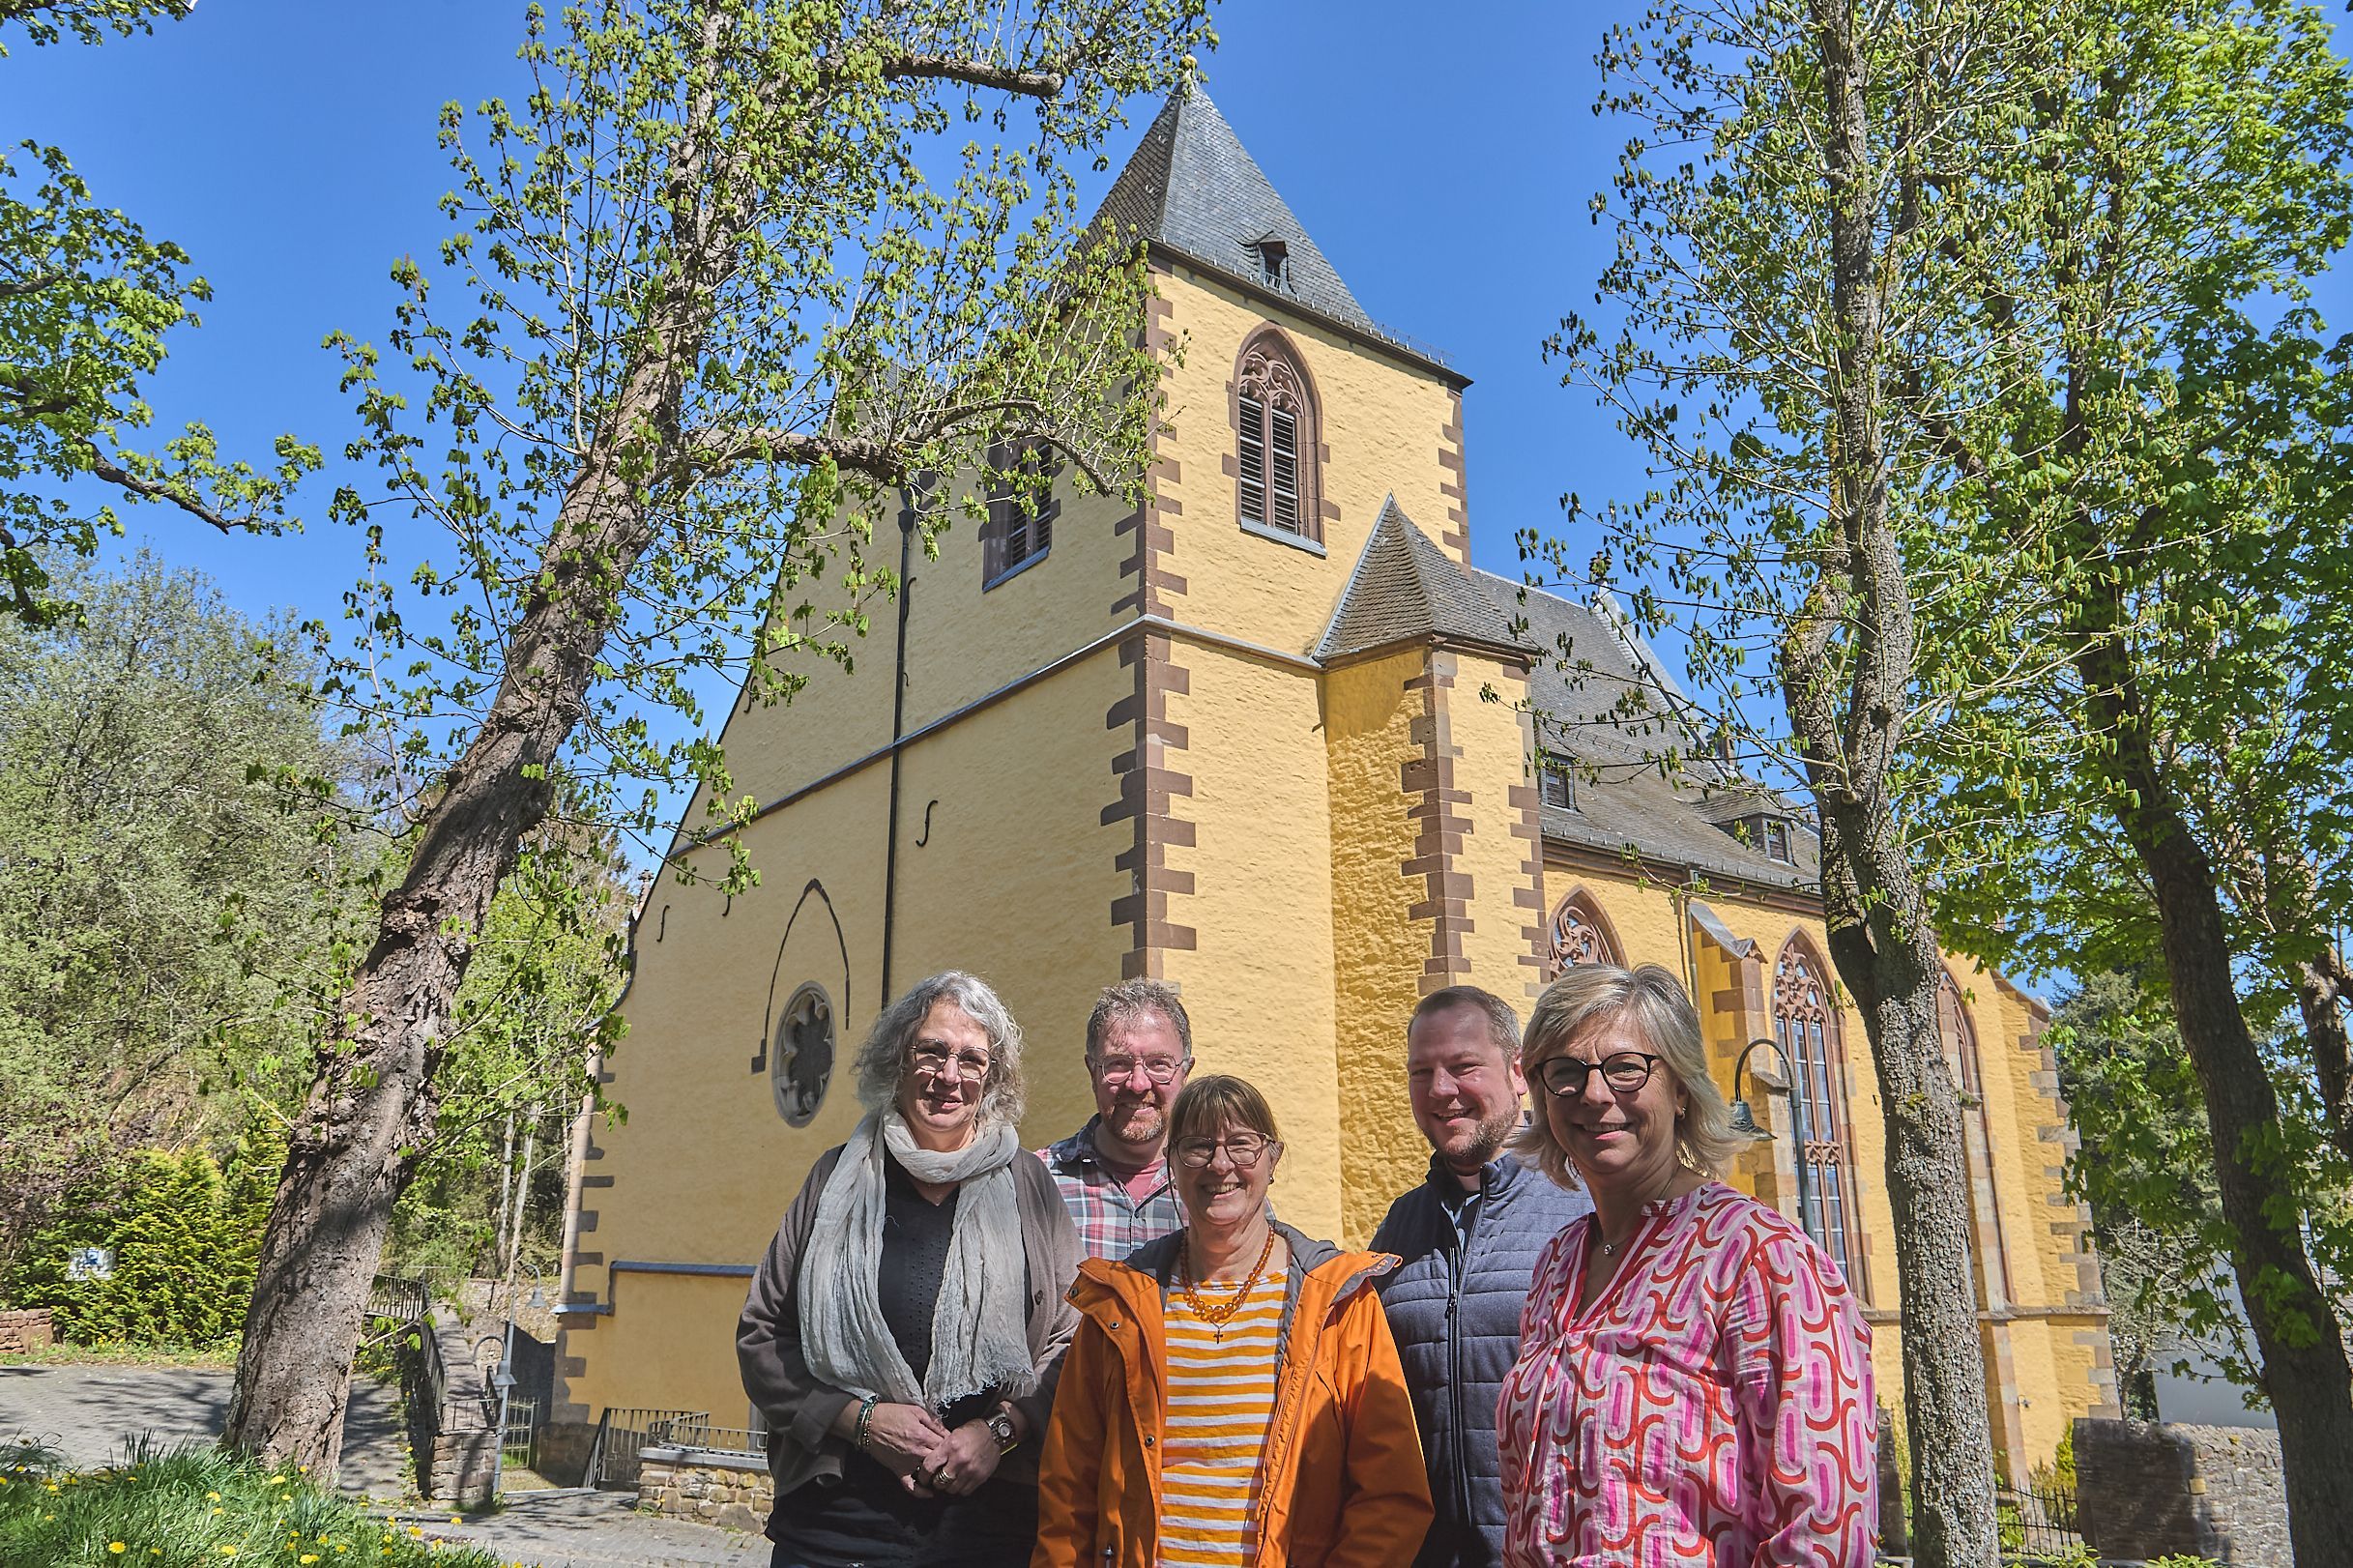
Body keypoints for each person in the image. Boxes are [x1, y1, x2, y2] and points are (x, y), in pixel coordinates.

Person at [1495, 963, 1878, 1566]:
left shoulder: (1760, 1257)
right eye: (1565, 1072)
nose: (1595, 1094)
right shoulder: (1558, 1263)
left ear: (1679, 1088)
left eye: (1626, 1068)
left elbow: (1826, 1527)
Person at [739, 972, 1084, 1568]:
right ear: (898, 1059)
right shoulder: (835, 1179)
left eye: (972, 1060)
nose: (950, 1076)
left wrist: (999, 1433)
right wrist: (862, 1421)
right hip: (836, 1521)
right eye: (932, 1051)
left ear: (992, 1078)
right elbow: (762, 1336)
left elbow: (1074, 1337)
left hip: (988, 1525)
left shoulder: (1028, 1185)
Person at [1032, 1074, 1433, 1568]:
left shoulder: (1338, 1303)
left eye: (1242, 1144)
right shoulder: (1120, 1305)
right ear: (1172, 1165)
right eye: (1199, 1147)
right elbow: (1068, 1490)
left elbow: (1391, 1494)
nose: (1221, 1165)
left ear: (1272, 1159)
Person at [1372, 986, 1593, 1568]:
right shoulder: (1403, 1223)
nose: (1441, 1091)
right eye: (1422, 1072)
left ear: (1519, 1072)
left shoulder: (1583, 1204)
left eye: (1463, 1066)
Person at [1036, 979, 1193, 1259]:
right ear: (1092, 1072)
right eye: (1118, 1063)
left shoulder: (1219, 1184)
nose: (1138, 1084)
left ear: (1185, 1073)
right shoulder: (1038, 1183)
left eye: (1159, 1064)